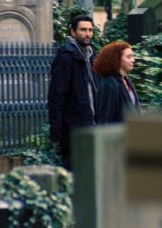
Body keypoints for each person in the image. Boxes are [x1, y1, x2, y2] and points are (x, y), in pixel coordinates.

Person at [48, 15, 97, 170]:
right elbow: (56, 96)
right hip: (73, 128)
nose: (87, 34)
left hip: (92, 124)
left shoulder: (91, 56)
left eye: (90, 30)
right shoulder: (66, 57)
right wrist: (56, 130)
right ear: (73, 32)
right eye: (83, 30)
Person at [93, 41, 140, 123]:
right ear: (117, 59)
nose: (133, 60)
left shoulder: (125, 80)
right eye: (129, 57)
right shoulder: (109, 84)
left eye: (133, 56)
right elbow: (104, 119)